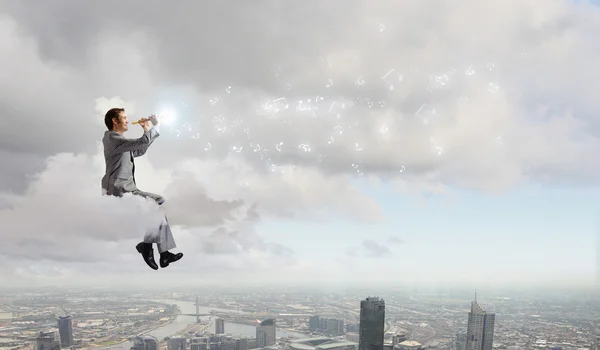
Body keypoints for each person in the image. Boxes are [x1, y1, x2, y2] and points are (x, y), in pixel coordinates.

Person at [101, 107, 183, 270]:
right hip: (119, 189)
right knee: (158, 201)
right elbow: (141, 142)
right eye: (124, 117)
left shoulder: (119, 141)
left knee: (157, 208)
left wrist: (147, 129)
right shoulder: (112, 138)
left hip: (126, 188)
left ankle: (163, 253)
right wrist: (155, 126)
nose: (127, 120)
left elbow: (140, 149)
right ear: (114, 121)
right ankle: (147, 246)